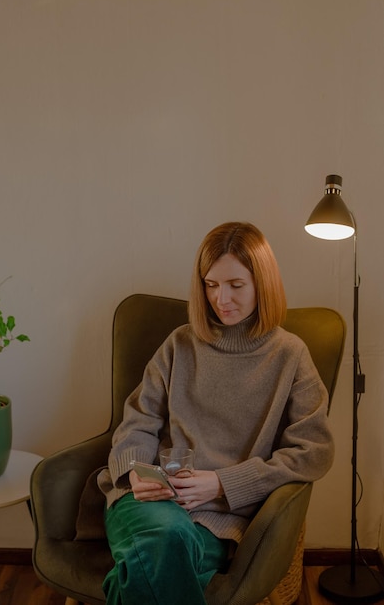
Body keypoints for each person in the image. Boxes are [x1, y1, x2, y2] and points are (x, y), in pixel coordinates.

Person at [97, 221, 334, 605]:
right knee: (166, 540)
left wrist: (225, 484)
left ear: (263, 283)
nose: (221, 299)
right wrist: (133, 472)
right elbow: (137, 422)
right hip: (146, 501)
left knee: (154, 560)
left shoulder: (290, 355)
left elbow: (313, 451)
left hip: (216, 521)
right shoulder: (180, 344)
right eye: (211, 285)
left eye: (235, 285)